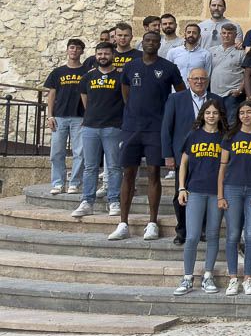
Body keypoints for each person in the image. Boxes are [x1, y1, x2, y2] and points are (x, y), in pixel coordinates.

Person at [108, 32, 184, 242]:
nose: (151, 44)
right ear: (142, 43)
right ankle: (123, 222)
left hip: (156, 128)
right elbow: (125, 91)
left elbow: (181, 93)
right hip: (132, 127)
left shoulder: (168, 67)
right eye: (147, 41)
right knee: (128, 174)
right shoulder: (131, 66)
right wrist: (133, 110)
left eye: (154, 41)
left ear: (160, 44)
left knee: (153, 173)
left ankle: (152, 222)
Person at [173, 101, 226, 295]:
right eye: (208, 113)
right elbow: (183, 164)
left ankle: (208, 275)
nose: (211, 116)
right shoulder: (193, 135)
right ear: (202, 115)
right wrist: (181, 188)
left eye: (215, 113)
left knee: (212, 235)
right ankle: (187, 277)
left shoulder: (224, 137)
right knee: (193, 236)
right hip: (195, 190)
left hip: (216, 192)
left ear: (220, 116)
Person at [161, 67, 219, 245]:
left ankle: (201, 229)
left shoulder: (216, 100)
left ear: (207, 80)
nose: (199, 81)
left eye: (202, 78)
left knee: (206, 193)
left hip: (210, 155)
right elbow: (166, 127)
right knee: (181, 194)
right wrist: (168, 155)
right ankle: (182, 230)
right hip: (183, 155)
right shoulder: (176, 98)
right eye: (195, 79)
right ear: (189, 80)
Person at [218, 102, 251, 295]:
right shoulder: (230, 137)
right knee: (232, 235)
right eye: (242, 112)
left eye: (249, 112)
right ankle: (233, 278)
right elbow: (222, 167)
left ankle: (248, 278)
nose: (245, 115)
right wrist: (220, 195)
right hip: (232, 188)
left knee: (250, 235)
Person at [72, 42, 125, 219]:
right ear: (95, 55)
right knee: (90, 167)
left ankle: (114, 201)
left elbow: (126, 101)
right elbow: (85, 102)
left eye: (106, 54)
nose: (103, 56)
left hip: (113, 127)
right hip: (90, 127)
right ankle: (87, 201)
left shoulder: (120, 76)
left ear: (113, 56)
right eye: (100, 53)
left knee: (114, 167)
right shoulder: (87, 77)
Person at [45, 38, 87, 196]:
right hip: (60, 117)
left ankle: (75, 183)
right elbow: (51, 94)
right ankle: (57, 183)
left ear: (82, 51)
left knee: (80, 153)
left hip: (80, 117)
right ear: (67, 50)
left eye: (77, 48)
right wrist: (50, 116)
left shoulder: (86, 72)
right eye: (72, 48)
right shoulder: (58, 72)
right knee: (56, 152)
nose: (74, 51)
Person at [207, 23, 245, 124]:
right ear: (220, 34)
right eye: (224, 33)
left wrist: (240, 90)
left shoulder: (241, 52)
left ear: (235, 35)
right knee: (215, 123)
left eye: (229, 33)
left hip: (232, 95)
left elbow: (248, 74)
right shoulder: (211, 51)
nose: (226, 35)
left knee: (231, 123)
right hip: (215, 94)